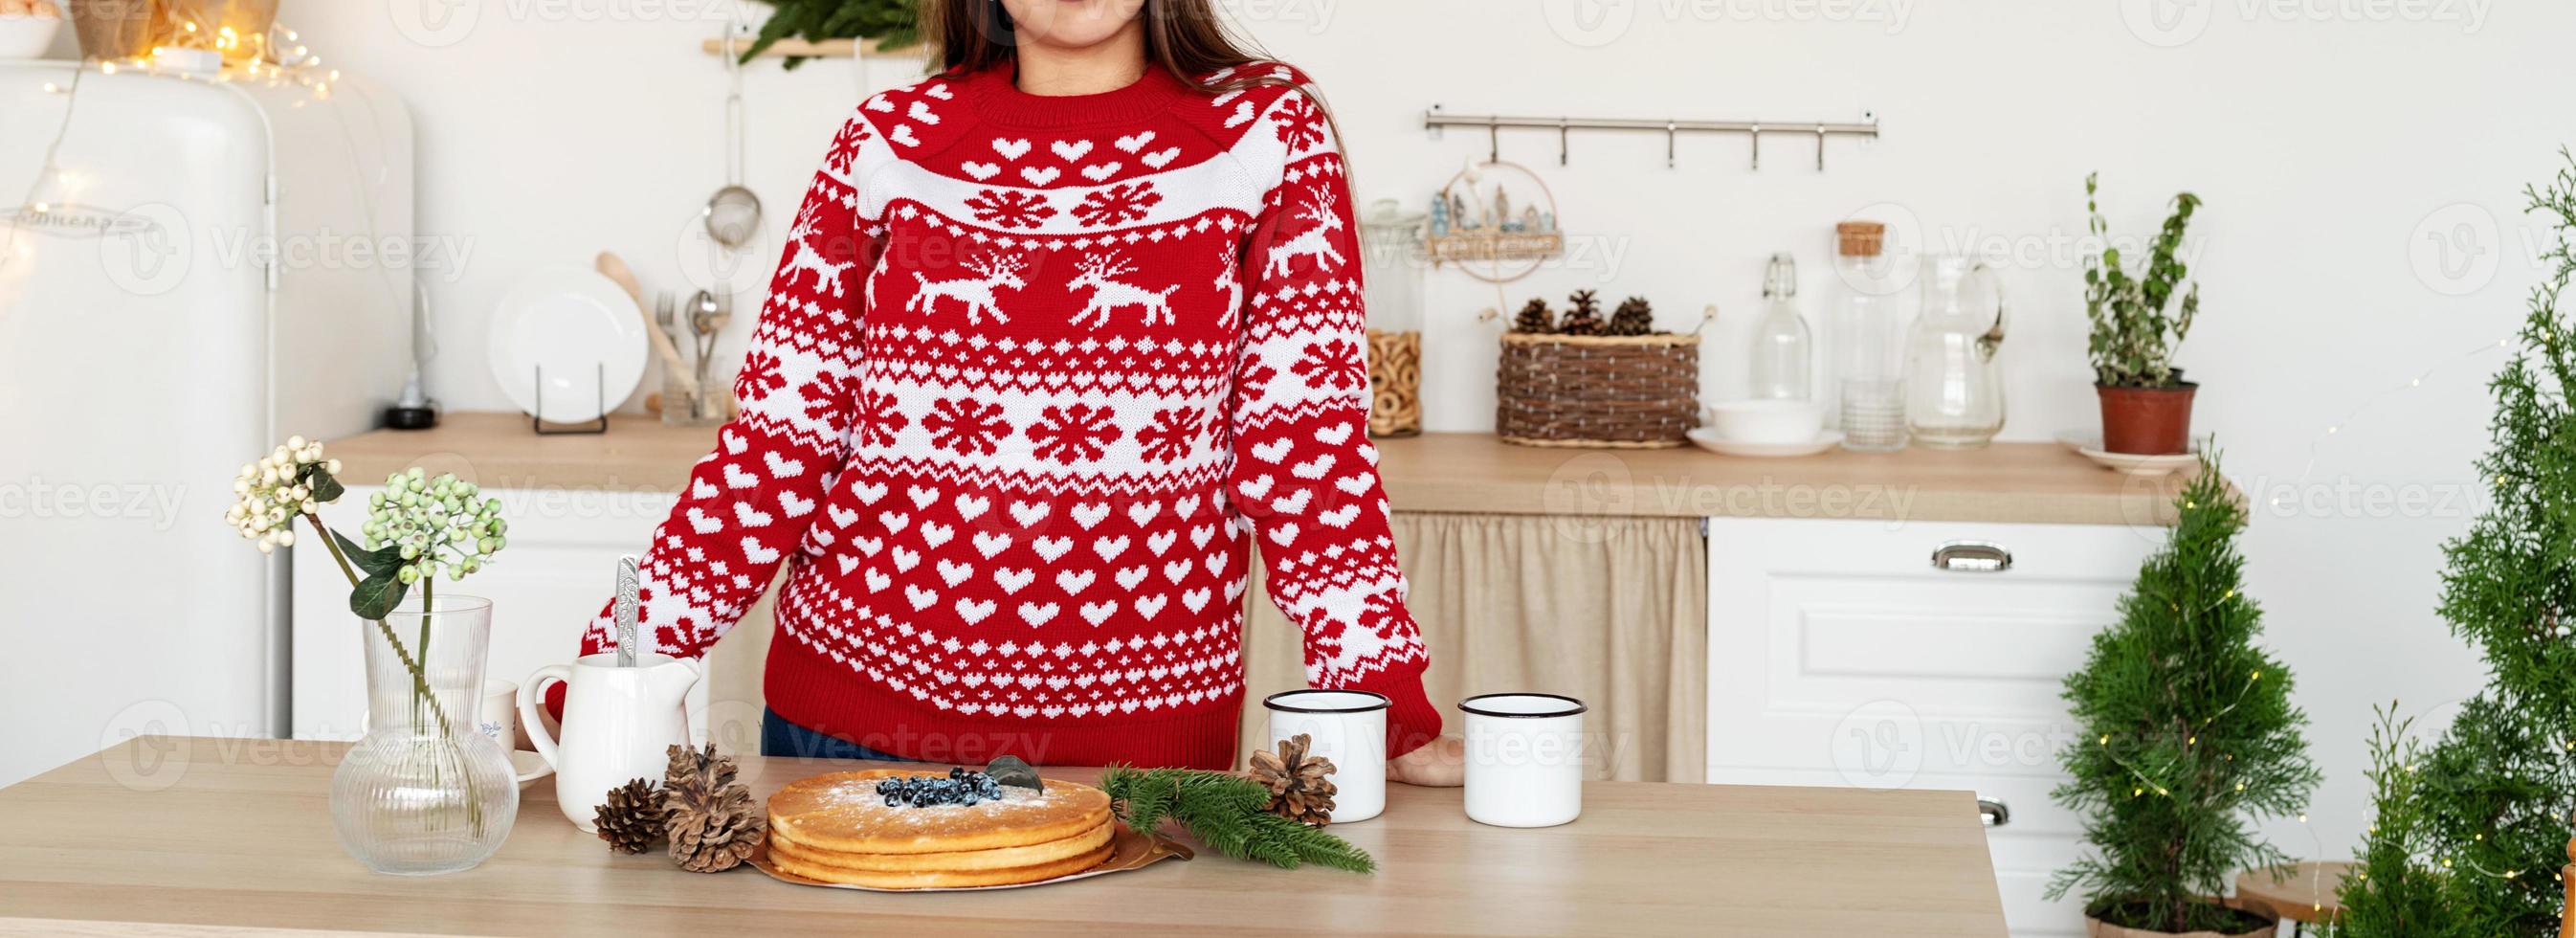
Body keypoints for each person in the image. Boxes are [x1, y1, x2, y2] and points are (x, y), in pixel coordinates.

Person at [564, 0, 1463, 784]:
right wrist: (612, 677)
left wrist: (1377, 696)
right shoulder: (887, 143)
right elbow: (776, 440)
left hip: (1137, 755)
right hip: (848, 738)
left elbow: (1308, 441)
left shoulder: (1265, 132)